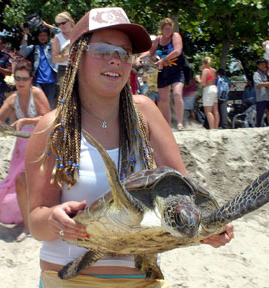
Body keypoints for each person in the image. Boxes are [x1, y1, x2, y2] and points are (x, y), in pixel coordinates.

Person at [24, 7, 234, 287]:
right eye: (102, 50)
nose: (115, 60)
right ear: (76, 56)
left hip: (143, 281)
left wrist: (208, 226)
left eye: (124, 53)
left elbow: (186, 197)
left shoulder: (145, 114)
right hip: (69, 278)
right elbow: (36, 222)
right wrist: (53, 219)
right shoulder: (52, 128)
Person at [0, 61, 50, 242]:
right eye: (18, 78)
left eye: (24, 79)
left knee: (26, 183)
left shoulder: (36, 93)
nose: (20, 82)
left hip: (37, 142)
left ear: (30, 79)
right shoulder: (13, 98)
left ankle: (31, 226)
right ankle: (27, 224)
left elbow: (47, 117)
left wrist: (27, 121)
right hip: (20, 147)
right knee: (19, 185)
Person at [139, 17, 185, 130]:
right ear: (162, 29)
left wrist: (164, 60)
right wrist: (139, 57)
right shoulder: (158, 39)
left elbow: (178, 51)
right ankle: (167, 126)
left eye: (169, 28)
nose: (168, 31)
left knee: (177, 94)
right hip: (163, 72)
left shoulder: (175, 36)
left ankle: (180, 123)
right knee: (163, 100)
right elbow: (150, 51)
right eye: (166, 28)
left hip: (176, 70)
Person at [20, 25, 58, 109]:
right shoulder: (34, 48)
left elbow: (59, 32)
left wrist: (47, 25)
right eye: (40, 35)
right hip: (38, 81)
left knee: (49, 104)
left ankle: (48, 122)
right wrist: (25, 35)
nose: (42, 37)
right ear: (38, 37)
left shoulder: (53, 45)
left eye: (44, 35)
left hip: (51, 81)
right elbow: (23, 52)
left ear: (48, 36)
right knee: (38, 104)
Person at [52, 11, 75, 98]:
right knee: (64, 97)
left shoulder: (79, 35)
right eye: (59, 24)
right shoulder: (58, 37)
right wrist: (68, 54)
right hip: (64, 70)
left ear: (70, 21)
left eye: (63, 23)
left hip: (80, 68)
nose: (61, 26)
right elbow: (55, 59)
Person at [195, 57, 219, 129]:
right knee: (215, 110)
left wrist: (198, 79)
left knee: (208, 111)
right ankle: (216, 127)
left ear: (204, 63)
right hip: (214, 88)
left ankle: (212, 128)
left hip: (208, 90)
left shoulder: (205, 70)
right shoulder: (213, 70)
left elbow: (203, 84)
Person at [253, 59, 269, 127]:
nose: (263, 65)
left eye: (264, 64)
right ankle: (258, 127)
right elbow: (258, 84)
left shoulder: (267, 74)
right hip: (261, 98)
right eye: (261, 64)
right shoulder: (256, 74)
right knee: (260, 115)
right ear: (258, 65)